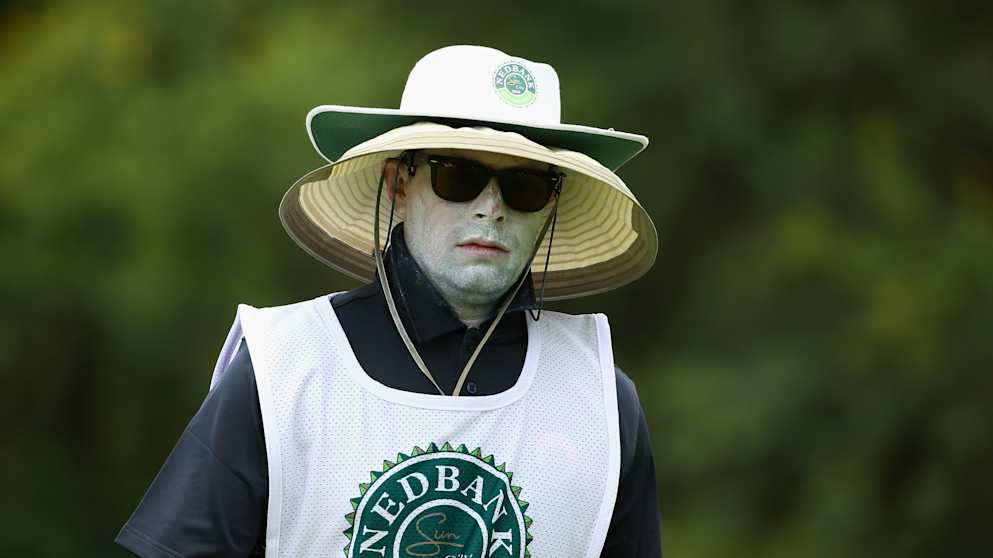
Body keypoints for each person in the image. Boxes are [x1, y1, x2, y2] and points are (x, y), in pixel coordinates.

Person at [117, 45, 662, 557]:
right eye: (459, 176)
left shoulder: (602, 402)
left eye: (525, 187)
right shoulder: (281, 370)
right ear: (400, 184)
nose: (491, 208)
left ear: (549, 206)